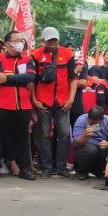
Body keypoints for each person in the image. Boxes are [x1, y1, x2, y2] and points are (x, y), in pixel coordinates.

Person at [0, 31, 37, 181]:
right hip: (2, 105)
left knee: (22, 138)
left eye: (21, 40)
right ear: (8, 44)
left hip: (23, 106)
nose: (20, 43)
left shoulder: (27, 60)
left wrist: (7, 78)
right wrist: (18, 80)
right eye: (16, 40)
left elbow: (30, 77)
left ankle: (24, 169)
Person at [31, 27, 77, 178]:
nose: (53, 42)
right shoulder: (36, 55)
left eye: (55, 40)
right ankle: (46, 167)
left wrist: (71, 99)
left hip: (63, 101)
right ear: (43, 40)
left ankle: (62, 167)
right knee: (44, 135)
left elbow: (73, 79)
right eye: (49, 40)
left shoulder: (68, 54)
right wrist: (35, 100)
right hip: (43, 101)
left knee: (64, 134)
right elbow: (32, 80)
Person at [72, 105, 108, 184]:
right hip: (85, 146)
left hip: (101, 146)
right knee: (90, 150)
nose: (93, 124)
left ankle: (98, 170)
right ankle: (82, 171)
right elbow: (77, 143)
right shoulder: (81, 120)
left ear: (102, 120)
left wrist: (107, 144)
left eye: (95, 123)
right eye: (91, 122)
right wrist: (84, 136)